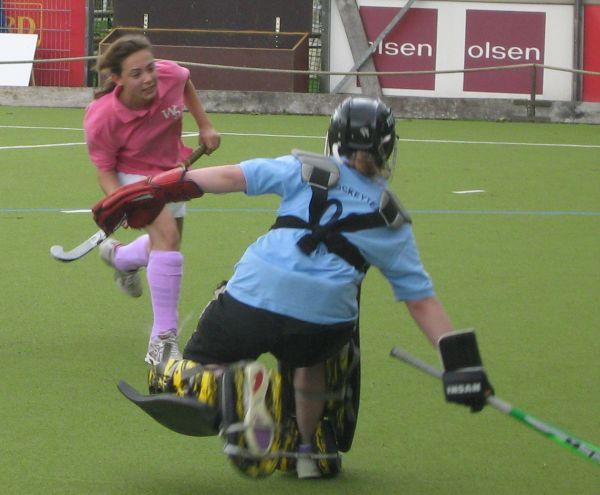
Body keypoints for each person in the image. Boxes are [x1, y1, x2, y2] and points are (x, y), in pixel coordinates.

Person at [93, 96, 494, 479]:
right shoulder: (392, 219)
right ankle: (307, 450)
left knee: (193, 367)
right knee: (311, 365)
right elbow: (421, 302)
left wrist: (164, 186)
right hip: (324, 322)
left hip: (255, 295)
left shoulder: (304, 168)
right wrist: (462, 367)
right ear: (387, 149)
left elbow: (232, 177)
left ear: (333, 138)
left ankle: (231, 386)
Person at [83, 34, 221, 365]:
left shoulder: (169, 74)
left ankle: (120, 257)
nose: (148, 78)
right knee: (168, 239)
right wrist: (122, 200)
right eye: (136, 74)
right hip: (133, 177)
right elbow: (105, 171)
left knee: (166, 246)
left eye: (150, 69)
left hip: (172, 169)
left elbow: (185, 82)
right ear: (117, 78)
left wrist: (204, 124)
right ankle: (163, 338)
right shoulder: (102, 116)